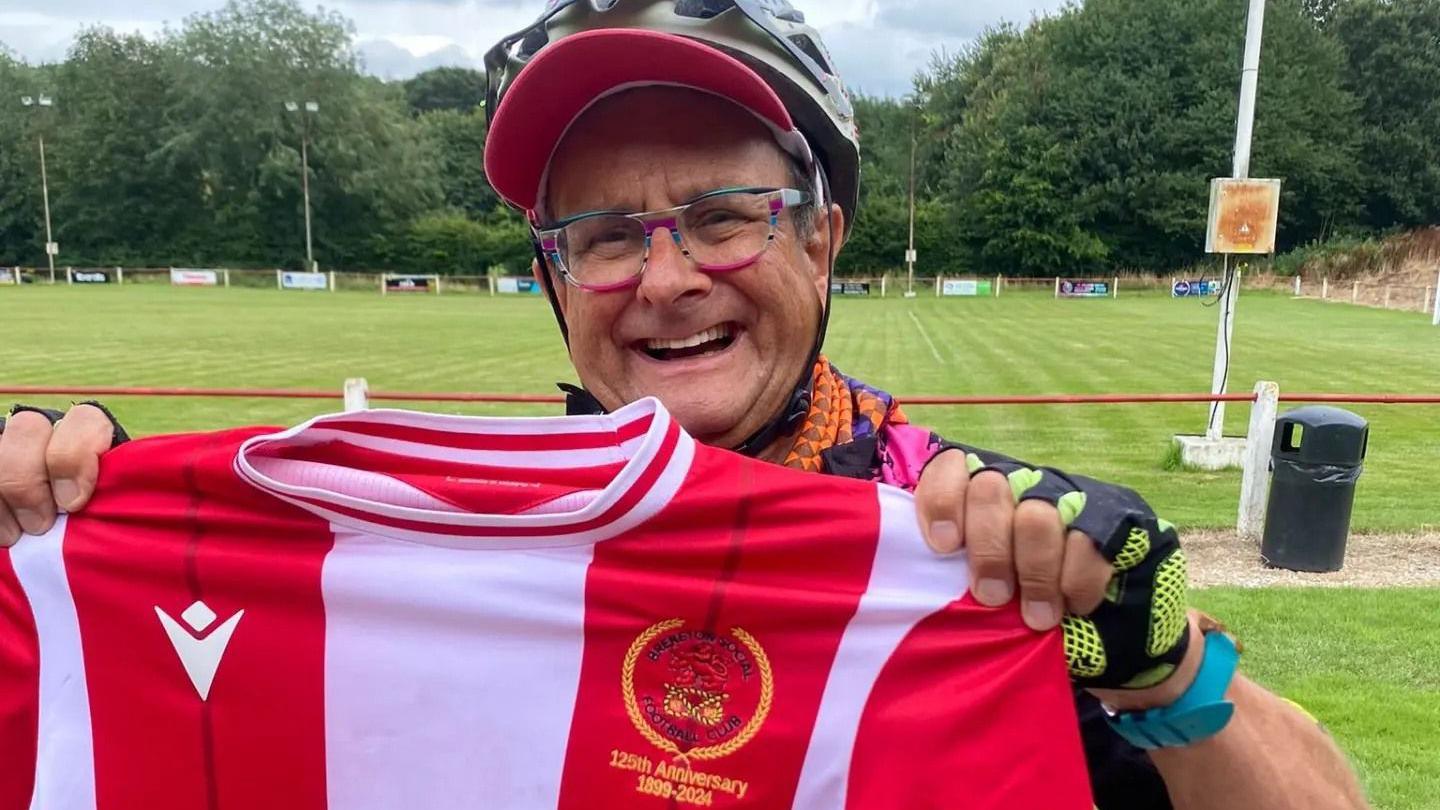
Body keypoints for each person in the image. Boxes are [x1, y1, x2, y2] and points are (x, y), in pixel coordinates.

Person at [0, 1, 1367, 808]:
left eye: (724, 217)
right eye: (601, 234)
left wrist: (1161, 668)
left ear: (824, 238)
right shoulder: (446, 555)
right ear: (554, 276)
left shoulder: (977, 549)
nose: (662, 278)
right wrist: (86, 558)